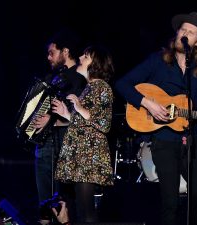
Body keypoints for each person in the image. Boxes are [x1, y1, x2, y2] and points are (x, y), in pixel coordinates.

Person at [115, 12, 197, 225]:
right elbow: (122, 84)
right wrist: (148, 103)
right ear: (177, 33)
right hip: (163, 140)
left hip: (192, 142)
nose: (185, 34)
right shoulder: (158, 61)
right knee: (170, 203)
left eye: (191, 32)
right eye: (183, 29)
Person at [52, 45, 115, 222]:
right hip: (81, 158)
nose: (80, 57)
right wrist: (67, 114)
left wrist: (79, 107)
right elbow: (85, 124)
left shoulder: (102, 87)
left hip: (88, 158)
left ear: (96, 64)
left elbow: (103, 123)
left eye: (85, 56)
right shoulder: (89, 88)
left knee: (87, 214)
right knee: (81, 211)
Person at [33, 29, 87, 216]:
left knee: (62, 203)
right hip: (44, 144)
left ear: (65, 51)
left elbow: (83, 113)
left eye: (52, 52)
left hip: (64, 146)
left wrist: (52, 120)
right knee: (45, 205)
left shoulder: (80, 77)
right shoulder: (52, 78)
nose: (48, 57)